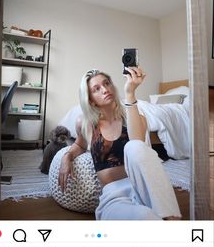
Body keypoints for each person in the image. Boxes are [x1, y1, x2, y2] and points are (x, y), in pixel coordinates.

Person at [58, 67, 181, 220]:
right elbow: (80, 146)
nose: (104, 89)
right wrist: (67, 157)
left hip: (143, 187)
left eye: (106, 83)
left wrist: (130, 93)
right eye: (96, 89)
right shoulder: (86, 123)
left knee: (133, 146)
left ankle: (173, 219)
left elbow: (138, 146)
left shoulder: (135, 116)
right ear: (90, 99)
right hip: (114, 196)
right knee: (145, 216)